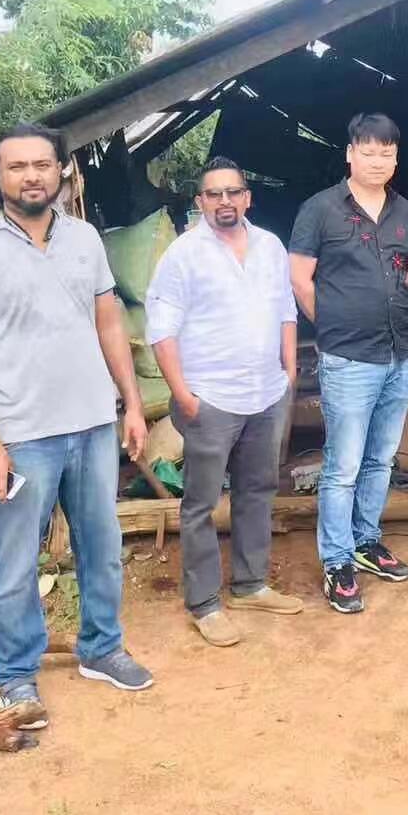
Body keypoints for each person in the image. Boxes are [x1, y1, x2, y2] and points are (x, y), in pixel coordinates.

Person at [0, 122, 153, 730]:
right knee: (13, 563)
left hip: (91, 424)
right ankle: (14, 676)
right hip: (20, 435)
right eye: (17, 166)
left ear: (63, 170)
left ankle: (102, 648)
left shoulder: (86, 240)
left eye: (42, 164)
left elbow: (110, 325)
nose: (32, 175)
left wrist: (131, 405)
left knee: (102, 547)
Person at [145, 157, 302, 647]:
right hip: (210, 400)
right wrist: (183, 395)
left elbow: (285, 309)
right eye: (214, 194)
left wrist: (290, 370)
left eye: (233, 192)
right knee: (201, 503)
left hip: (266, 394)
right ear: (200, 202)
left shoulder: (270, 246)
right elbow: (161, 328)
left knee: (257, 491)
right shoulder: (183, 255)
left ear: (247, 198)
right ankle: (205, 603)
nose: (225, 201)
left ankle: (251, 584)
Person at [289, 112, 408, 613]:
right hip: (347, 358)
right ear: (349, 153)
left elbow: (405, 275)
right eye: (369, 151)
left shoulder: (404, 210)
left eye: (387, 152)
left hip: (398, 355)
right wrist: (335, 326)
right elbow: (300, 279)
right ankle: (337, 562)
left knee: (380, 459)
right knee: (342, 466)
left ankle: (366, 543)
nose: (378, 160)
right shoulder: (320, 209)